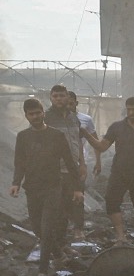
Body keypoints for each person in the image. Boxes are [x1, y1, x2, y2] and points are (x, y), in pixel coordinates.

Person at [10, 98, 83, 276]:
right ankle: (58, 254)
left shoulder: (57, 136)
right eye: (31, 114)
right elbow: (20, 163)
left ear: (43, 112)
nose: (35, 116)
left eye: (38, 113)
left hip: (53, 188)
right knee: (37, 229)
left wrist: (77, 188)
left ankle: (43, 272)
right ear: (26, 116)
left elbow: (70, 162)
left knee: (47, 226)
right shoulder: (23, 137)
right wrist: (16, 182)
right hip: (32, 189)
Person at [82, 97, 134, 246]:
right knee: (111, 201)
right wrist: (85, 134)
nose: (131, 112)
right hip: (119, 173)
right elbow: (102, 146)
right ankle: (121, 237)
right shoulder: (117, 127)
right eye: (128, 109)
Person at [44, 85, 87, 248]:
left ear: (68, 97)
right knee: (58, 209)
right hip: (55, 171)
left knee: (76, 202)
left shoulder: (73, 118)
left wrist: (82, 164)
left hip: (73, 169)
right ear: (50, 98)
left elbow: (78, 143)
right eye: (55, 96)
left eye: (62, 96)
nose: (59, 99)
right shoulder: (46, 118)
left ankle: (73, 235)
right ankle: (56, 245)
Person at [68, 91, 100, 240]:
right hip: (59, 164)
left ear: (76, 103)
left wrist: (97, 160)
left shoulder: (85, 120)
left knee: (78, 195)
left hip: (79, 163)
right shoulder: (55, 119)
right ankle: (62, 228)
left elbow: (94, 139)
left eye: (70, 103)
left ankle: (78, 228)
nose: (68, 105)